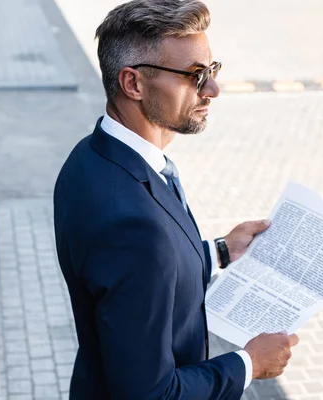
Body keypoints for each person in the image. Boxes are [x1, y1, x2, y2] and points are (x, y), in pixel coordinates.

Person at [53, 0, 299, 399]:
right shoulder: (132, 225)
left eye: (212, 70)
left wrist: (219, 251)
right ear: (133, 83)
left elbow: (137, 274)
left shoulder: (90, 156)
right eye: (195, 75)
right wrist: (250, 363)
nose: (213, 90)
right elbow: (151, 394)